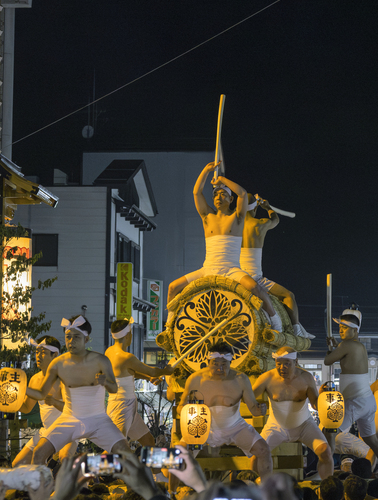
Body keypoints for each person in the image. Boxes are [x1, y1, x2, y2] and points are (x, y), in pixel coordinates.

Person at [166, 161, 283, 331]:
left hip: (231, 269)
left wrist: (222, 179)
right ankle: (169, 324)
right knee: (172, 287)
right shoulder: (207, 216)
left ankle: (275, 320)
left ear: (230, 199)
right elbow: (196, 192)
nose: (218, 197)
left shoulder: (238, 217)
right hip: (207, 268)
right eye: (215, 195)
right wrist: (206, 170)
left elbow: (242, 193)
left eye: (223, 194)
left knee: (256, 288)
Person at [19, 314, 127, 466]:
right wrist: (19, 388)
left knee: (127, 455)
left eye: (76, 337)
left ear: (86, 339)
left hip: (99, 418)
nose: (71, 341)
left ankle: (91, 471)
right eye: (68, 337)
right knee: (38, 454)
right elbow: (40, 394)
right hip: (68, 419)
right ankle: (51, 481)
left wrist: (105, 382)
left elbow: (114, 388)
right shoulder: (57, 364)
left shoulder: (100, 360)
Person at [178, 340, 272, 477]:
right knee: (179, 453)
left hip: (235, 426)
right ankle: (171, 489)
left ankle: (266, 488)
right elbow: (181, 406)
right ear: (208, 362)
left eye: (224, 364)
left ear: (230, 363)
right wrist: (186, 412)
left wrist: (259, 411)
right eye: (215, 364)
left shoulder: (240, 379)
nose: (219, 368)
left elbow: (253, 409)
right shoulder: (195, 379)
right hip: (202, 427)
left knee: (264, 449)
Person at [324, 307, 378, 476]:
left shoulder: (345, 345)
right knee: (372, 440)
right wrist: (336, 346)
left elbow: (327, 360)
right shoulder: (360, 346)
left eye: (345, 328)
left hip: (355, 401)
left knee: (329, 431)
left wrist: (331, 349)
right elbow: (346, 354)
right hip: (367, 400)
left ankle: (326, 472)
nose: (341, 330)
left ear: (355, 330)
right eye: (340, 327)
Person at [253, 346, 333, 479]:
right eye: (278, 364)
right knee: (255, 456)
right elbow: (248, 397)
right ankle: (264, 487)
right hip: (276, 426)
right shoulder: (267, 378)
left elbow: (315, 405)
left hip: (304, 425)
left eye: (287, 364)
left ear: (295, 362)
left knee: (326, 452)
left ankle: (328, 487)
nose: (282, 368)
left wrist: (323, 397)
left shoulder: (306, 377)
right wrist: (255, 406)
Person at [240, 195, 313, 339]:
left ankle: (298, 328)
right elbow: (275, 220)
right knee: (288, 296)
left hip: (238, 275)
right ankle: (296, 329)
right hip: (255, 278)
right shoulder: (259, 224)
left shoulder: (234, 226)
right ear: (254, 208)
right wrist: (267, 207)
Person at [105, 317, 175, 446]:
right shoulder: (126, 357)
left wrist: (148, 378)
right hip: (121, 407)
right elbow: (152, 371)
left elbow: (129, 373)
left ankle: (146, 461)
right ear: (127, 335)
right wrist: (167, 370)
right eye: (131, 333)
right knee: (116, 447)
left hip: (127, 405)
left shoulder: (109, 352)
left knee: (148, 441)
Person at [13, 335, 72, 466]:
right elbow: (26, 407)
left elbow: (72, 409)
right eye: (37, 352)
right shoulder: (35, 379)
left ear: (55, 355)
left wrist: (55, 402)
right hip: (46, 431)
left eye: (43, 352)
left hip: (66, 430)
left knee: (64, 459)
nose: (38, 356)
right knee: (18, 463)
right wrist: (11, 401)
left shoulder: (64, 377)